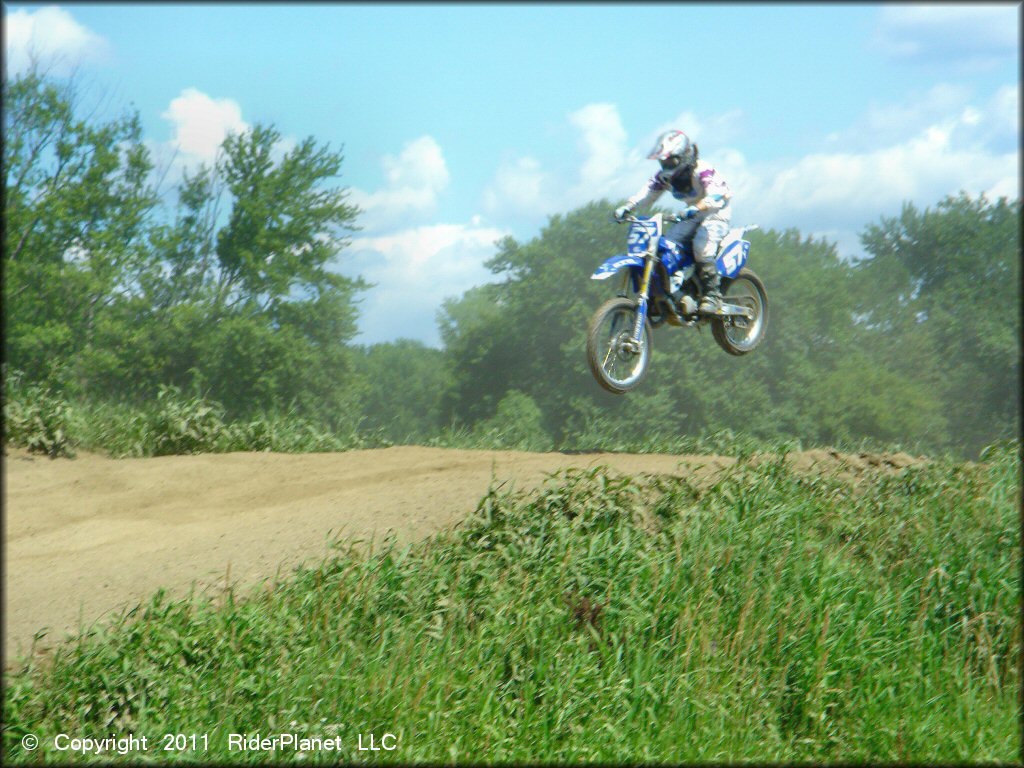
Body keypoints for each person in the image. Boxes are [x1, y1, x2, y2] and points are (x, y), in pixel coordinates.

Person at [614, 129, 732, 314]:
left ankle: (712, 295)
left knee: (701, 245)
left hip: (715, 211)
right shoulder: (665, 176)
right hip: (691, 213)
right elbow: (648, 193)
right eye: (663, 161)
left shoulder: (703, 169)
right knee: (668, 246)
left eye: (670, 160)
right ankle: (674, 289)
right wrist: (628, 206)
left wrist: (698, 207)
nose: (666, 164)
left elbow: (718, 194)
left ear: (684, 156)